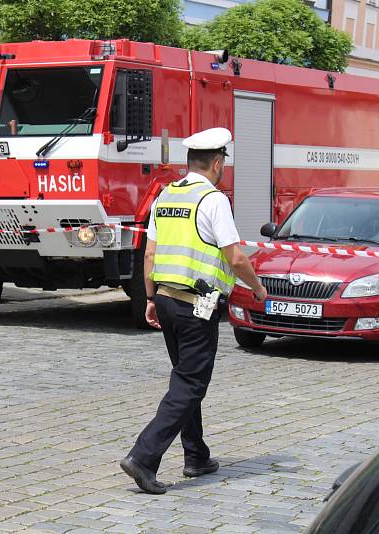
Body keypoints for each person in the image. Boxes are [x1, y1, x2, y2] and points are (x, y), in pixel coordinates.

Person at [120, 128, 267, 494]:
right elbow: (234, 256)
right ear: (217, 163)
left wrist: (151, 299)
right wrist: (259, 288)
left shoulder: (166, 196)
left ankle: (196, 455)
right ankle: (143, 456)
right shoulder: (213, 200)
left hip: (167, 302)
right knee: (189, 383)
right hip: (195, 307)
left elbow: (150, 254)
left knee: (186, 377)